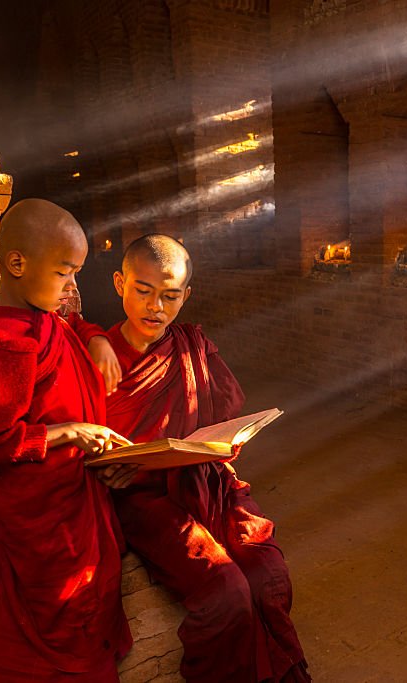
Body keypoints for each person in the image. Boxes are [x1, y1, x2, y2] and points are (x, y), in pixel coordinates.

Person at [93, 234, 309, 683]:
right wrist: (106, 469)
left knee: (269, 574)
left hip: (207, 480)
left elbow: (222, 415)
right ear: (119, 283)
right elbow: (88, 439)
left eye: (171, 296)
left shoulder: (191, 345)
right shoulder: (101, 356)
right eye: (143, 291)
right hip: (144, 498)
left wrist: (227, 442)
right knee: (225, 591)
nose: (157, 307)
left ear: (186, 296)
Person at [0, 199, 133, 681]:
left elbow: (68, 321)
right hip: (45, 512)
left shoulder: (38, 312)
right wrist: (70, 431)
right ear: (17, 264)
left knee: (91, 604)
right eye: (65, 272)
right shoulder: (6, 341)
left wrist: (95, 337)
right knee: (65, 622)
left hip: (76, 492)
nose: (73, 287)